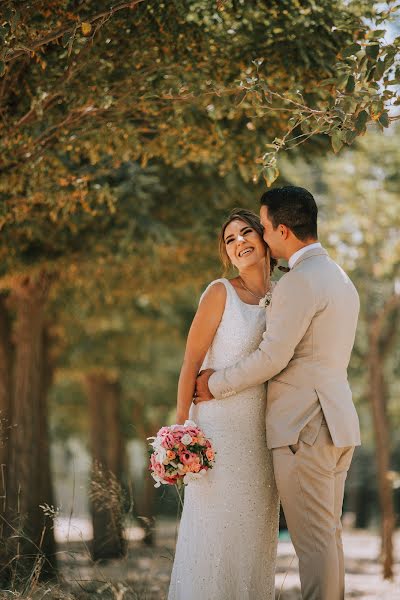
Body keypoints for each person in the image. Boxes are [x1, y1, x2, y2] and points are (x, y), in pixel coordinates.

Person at [195, 186, 361, 600]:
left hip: (304, 429)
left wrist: (213, 384)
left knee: (314, 545)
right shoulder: (340, 279)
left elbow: (272, 357)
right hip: (338, 424)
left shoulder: (298, 283)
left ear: (283, 230)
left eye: (264, 228)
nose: (261, 238)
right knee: (329, 539)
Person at [168, 209, 279, 600]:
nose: (238, 243)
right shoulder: (220, 292)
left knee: (252, 536)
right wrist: (179, 433)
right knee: (213, 531)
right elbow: (190, 364)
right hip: (216, 433)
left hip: (262, 437)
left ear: (266, 238)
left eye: (246, 232)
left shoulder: (283, 294)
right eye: (229, 240)